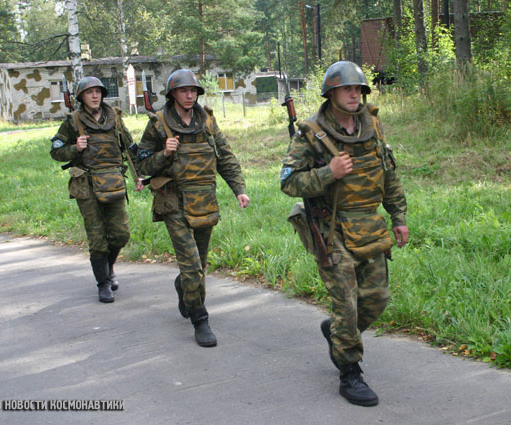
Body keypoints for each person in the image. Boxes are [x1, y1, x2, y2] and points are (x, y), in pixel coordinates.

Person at [280, 61, 409, 406]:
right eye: (347, 89)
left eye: (358, 89)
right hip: (332, 230)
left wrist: (398, 216)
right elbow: (288, 182)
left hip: (370, 226)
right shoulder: (310, 133)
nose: (354, 95)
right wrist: (328, 173)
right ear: (331, 93)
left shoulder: (373, 125)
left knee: (377, 299)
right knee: (347, 307)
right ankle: (349, 372)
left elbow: (389, 174)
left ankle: (338, 332)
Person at [136, 69, 250, 347]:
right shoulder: (158, 124)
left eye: (193, 91)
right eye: (183, 91)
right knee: (192, 268)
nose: (189, 96)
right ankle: (201, 320)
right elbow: (142, 165)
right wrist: (164, 153)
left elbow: (225, 157)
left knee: (200, 264)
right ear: (173, 94)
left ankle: (184, 288)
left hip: (204, 201)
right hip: (173, 201)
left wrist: (239, 189)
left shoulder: (207, 121)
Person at [50, 76, 134, 303]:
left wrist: (141, 175)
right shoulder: (73, 121)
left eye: (98, 91)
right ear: (81, 97)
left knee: (121, 234)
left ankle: (109, 267)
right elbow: (56, 151)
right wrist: (75, 148)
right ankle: (103, 283)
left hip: (113, 182)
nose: (95, 95)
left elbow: (129, 147)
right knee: (97, 238)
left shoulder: (115, 118)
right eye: (89, 92)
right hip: (86, 185)